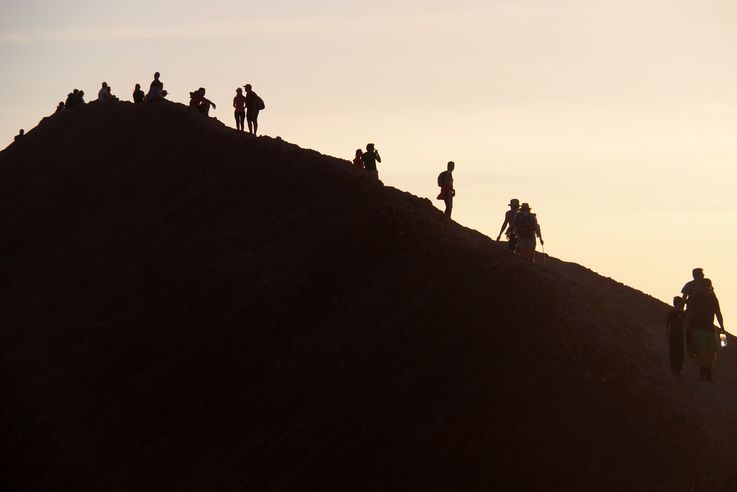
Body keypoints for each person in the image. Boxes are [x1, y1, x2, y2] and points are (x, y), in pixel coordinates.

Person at [686, 279, 725, 382]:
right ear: (702, 287)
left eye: (709, 287)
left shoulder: (713, 299)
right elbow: (689, 311)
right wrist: (687, 324)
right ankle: (703, 370)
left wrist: (722, 326)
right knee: (702, 349)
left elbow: (718, 313)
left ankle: (707, 370)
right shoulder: (695, 298)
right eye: (706, 287)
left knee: (713, 350)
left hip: (710, 328)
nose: (708, 289)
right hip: (697, 327)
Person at [666, 297, 686, 375]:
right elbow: (668, 325)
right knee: (673, 351)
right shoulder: (671, 313)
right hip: (673, 335)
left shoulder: (683, 314)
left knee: (680, 352)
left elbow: (685, 324)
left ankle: (678, 368)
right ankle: (674, 367)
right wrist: (667, 334)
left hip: (680, 336)